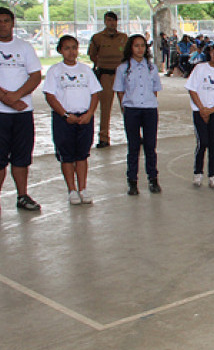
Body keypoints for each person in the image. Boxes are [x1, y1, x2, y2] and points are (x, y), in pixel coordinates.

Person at [0, 7, 43, 216]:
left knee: (22, 157)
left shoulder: (25, 47)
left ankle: (22, 196)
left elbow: (35, 76)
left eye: (6, 21)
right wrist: (8, 100)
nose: (2, 25)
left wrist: (18, 95)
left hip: (23, 113)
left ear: (13, 23)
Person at [43, 36, 102, 205]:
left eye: (74, 48)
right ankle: (72, 189)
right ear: (60, 50)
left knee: (82, 155)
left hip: (84, 118)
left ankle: (83, 188)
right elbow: (50, 95)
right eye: (67, 48)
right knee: (67, 156)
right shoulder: (55, 71)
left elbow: (95, 93)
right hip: (64, 119)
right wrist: (64, 115)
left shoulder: (86, 70)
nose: (71, 52)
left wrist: (90, 113)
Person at [114, 34, 163, 195]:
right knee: (133, 147)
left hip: (149, 110)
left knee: (150, 146)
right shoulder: (123, 68)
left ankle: (153, 178)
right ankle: (132, 181)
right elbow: (120, 91)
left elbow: (155, 89)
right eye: (136, 45)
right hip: (132, 110)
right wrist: (125, 107)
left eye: (142, 45)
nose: (140, 49)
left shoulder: (151, 67)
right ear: (130, 47)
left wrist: (149, 103)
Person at [185, 42, 214, 190]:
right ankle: (198, 172)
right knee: (202, 142)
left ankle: (213, 175)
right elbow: (192, 90)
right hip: (199, 111)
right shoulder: (200, 68)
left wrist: (211, 110)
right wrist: (202, 109)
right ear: (211, 52)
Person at [88, 11, 128, 148]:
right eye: (109, 20)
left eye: (114, 20)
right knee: (105, 108)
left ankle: (133, 134)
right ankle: (104, 137)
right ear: (105, 21)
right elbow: (92, 55)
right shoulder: (98, 38)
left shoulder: (123, 37)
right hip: (105, 75)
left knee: (127, 106)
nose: (111, 23)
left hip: (122, 76)